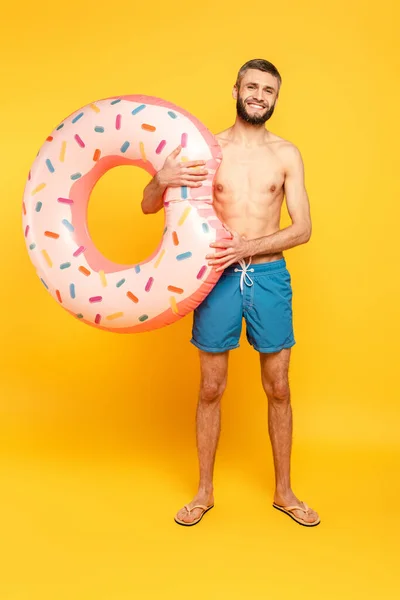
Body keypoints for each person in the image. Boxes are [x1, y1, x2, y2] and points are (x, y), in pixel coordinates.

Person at [141, 59, 320, 528]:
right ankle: (204, 492)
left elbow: (302, 229)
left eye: (269, 90)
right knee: (211, 387)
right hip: (216, 277)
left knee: (278, 387)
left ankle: (284, 492)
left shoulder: (286, 155)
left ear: (276, 98)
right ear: (237, 88)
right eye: (252, 86)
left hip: (268, 276)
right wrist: (160, 179)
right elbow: (147, 206)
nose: (259, 95)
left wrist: (250, 245)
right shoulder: (206, 149)